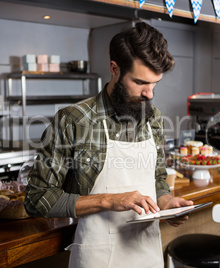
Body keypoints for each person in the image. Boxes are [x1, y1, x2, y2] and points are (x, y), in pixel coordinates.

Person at [24, 21, 193, 268]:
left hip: (148, 254)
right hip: (99, 257)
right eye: (140, 83)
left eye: (154, 84)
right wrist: (109, 201)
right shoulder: (74, 120)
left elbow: (157, 179)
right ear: (115, 69)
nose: (150, 94)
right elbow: (37, 199)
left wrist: (167, 202)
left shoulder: (153, 117)